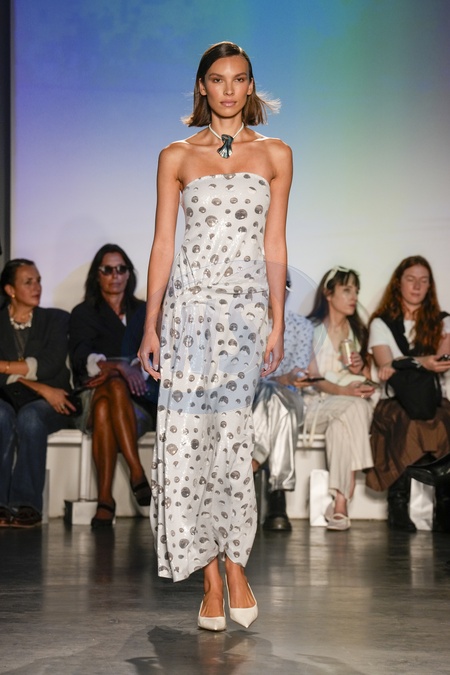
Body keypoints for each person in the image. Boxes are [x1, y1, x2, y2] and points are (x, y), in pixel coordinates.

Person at [138, 41, 292, 631]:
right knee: (186, 445)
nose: (229, 90)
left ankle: (236, 565)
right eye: (218, 80)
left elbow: (274, 243)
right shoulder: (175, 156)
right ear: (202, 86)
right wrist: (151, 323)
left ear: (250, 86)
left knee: (230, 442)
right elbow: (163, 244)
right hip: (188, 314)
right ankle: (208, 577)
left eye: (239, 79)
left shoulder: (276, 153)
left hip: (244, 317)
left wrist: (277, 319)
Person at [69, 244, 154, 529]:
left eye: (121, 269)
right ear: (97, 275)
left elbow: (157, 357)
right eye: (108, 269)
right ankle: (136, 470)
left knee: (108, 402)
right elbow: (81, 359)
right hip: (89, 398)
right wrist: (122, 368)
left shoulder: (145, 312)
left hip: (136, 404)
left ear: (129, 273)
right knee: (113, 387)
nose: (115, 275)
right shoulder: (83, 313)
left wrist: (117, 369)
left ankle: (105, 499)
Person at [365, 255, 450, 532]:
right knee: (406, 422)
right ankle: (398, 504)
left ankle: (445, 505)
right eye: (411, 279)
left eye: (423, 281)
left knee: (441, 422)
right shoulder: (382, 323)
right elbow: (384, 365)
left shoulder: (442, 321)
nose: (417, 286)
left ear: (430, 286)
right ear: (398, 283)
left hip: (432, 400)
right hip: (396, 400)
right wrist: (423, 362)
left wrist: (404, 362)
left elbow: (441, 361)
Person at [0, 259, 76, 528]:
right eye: (28, 282)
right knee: (1, 415)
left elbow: (50, 365)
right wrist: (41, 386)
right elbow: (40, 375)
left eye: (39, 281)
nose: (37, 287)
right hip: (17, 397)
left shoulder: (56, 319)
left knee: (31, 417)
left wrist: (5, 366)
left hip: (51, 402)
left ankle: (26, 504)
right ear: (10, 290)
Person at [303, 266, 375, 531]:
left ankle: (340, 505)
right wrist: (345, 391)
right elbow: (312, 378)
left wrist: (361, 369)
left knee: (340, 428)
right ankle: (351, 484)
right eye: (346, 290)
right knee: (355, 406)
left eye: (356, 291)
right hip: (316, 406)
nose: (353, 296)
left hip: (350, 405)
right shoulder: (310, 330)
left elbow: (369, 381)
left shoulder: (359, 332)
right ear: (328, 293)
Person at [252, 273, 314, 531]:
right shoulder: (245, 324)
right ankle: (278, 497)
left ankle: (253, 461)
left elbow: (297, 372)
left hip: (290, 396)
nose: (276, 289)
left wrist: (291, 378)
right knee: (277, 404)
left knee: (278, 398)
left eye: (283, 284)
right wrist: (279, 378)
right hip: (251, 400)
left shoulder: (301, 326)